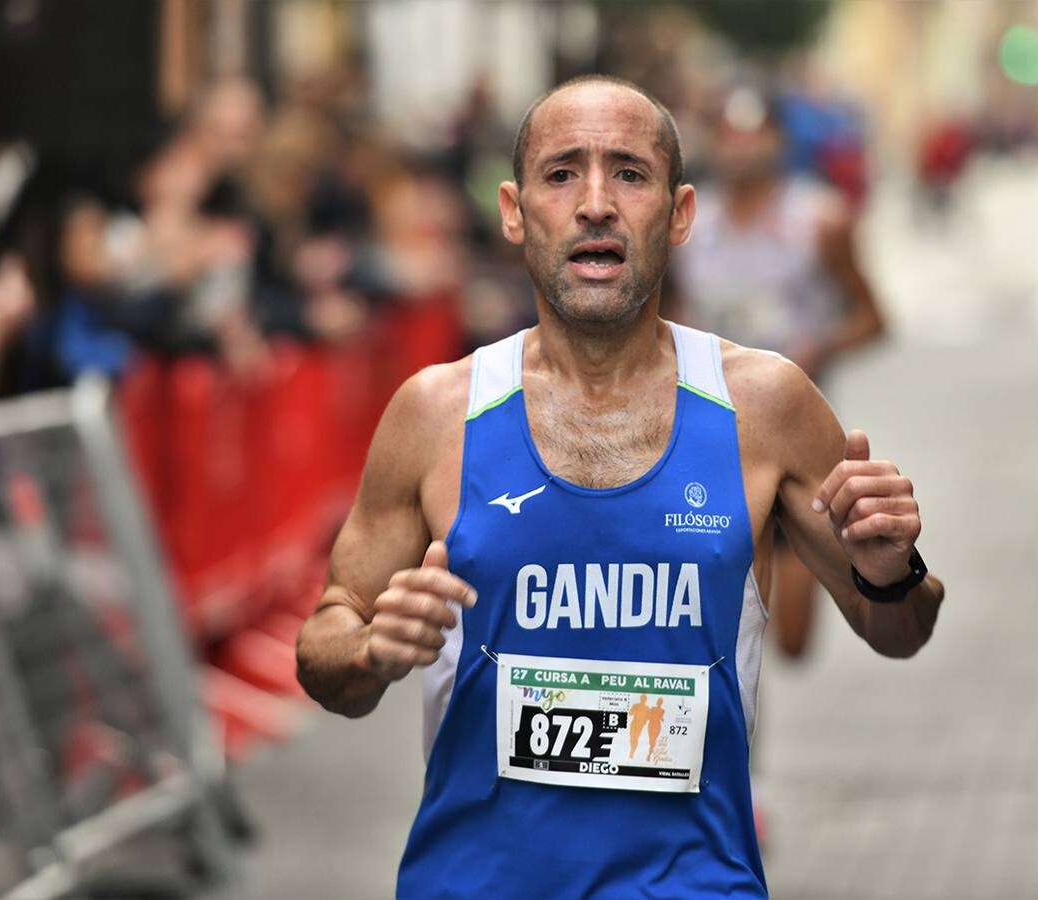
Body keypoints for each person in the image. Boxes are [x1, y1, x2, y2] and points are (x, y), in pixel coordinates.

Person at [295, 75, 943, 897]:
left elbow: (903, 632)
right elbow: (325, 649)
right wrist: (367, 651)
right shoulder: (436, 414)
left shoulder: (766, 405)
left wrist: (893, 573)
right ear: (513, 210)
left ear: (677, 216)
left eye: (629, 174)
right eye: (562, 173)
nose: (595, 203)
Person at [676, 85, 887, 660]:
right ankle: (729, 737)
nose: (742, 148)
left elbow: (875, 319)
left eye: (756, 133)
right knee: (716, 630)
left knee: (791, 641)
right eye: (730, 134)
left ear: (780, 141)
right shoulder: (684, 225)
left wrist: (819, 347)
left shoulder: (819, 219)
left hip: (791, 446)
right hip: (710, 446)